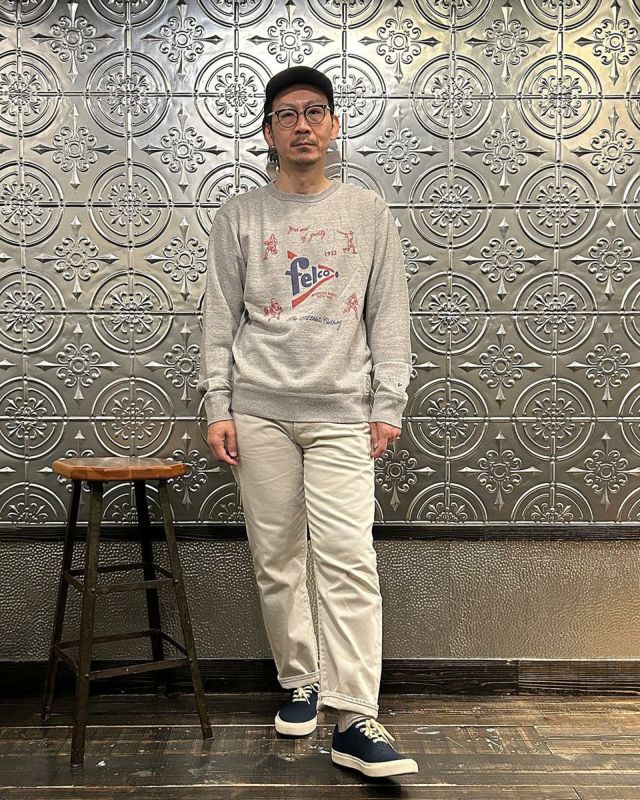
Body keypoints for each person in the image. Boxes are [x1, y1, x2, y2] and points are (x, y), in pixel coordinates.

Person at [198, 65, 416, 778]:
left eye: (314, 112)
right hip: (258, 410)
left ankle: (355, 716)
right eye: (286, 114)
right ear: (268, 131)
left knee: (348, 556)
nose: (301, 125)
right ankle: (300, 679)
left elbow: (389, 313)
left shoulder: (367, 212)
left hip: (342, 413)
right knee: (277, 557)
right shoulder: (240, 215)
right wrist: (217, 404)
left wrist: (388, 403)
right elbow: (217, 317)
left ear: (333, 125)